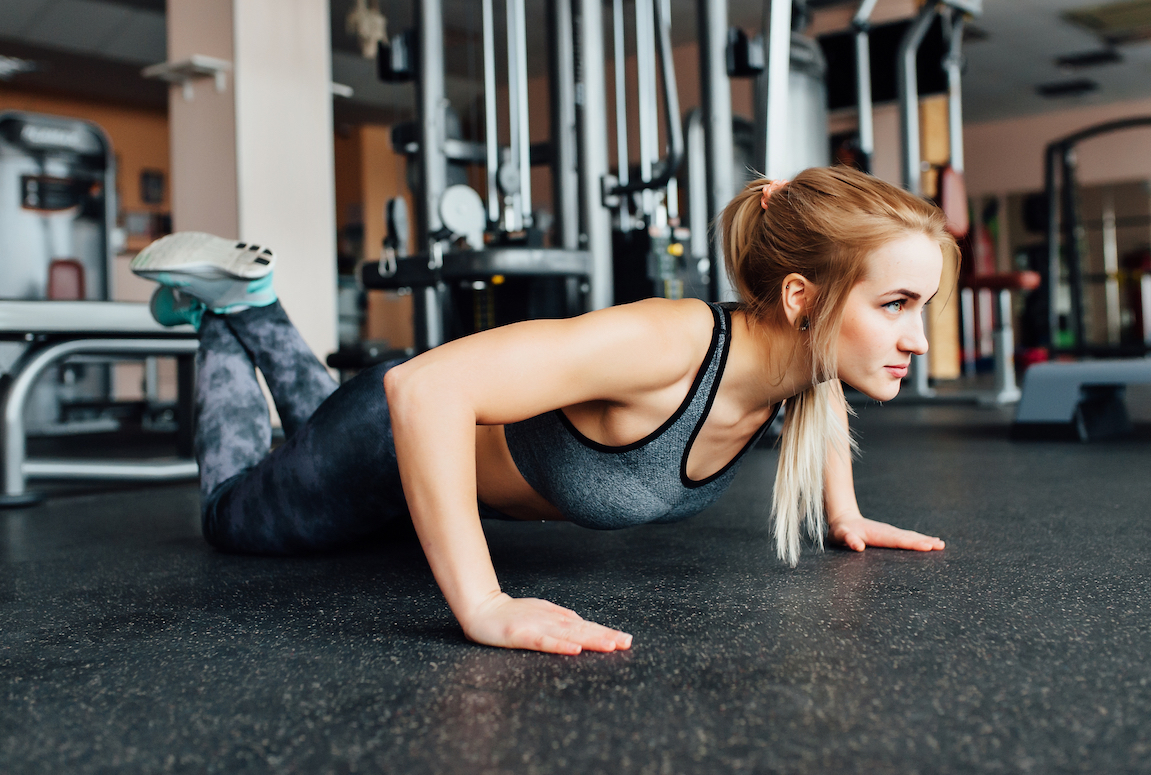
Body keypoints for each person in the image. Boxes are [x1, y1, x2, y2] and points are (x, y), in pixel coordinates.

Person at [132, 166, 956, 656]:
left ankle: (249, 308)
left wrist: (844, 512)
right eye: (895, 304)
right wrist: (486, 606)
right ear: (802, 298)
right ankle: (231, 308)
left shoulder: (795, 364)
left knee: (311, 428)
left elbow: (822, 401)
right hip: (387, 442)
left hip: (400, 464)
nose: (915, 338)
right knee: (229, 510)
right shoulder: (671, 345)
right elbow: (424, 390)